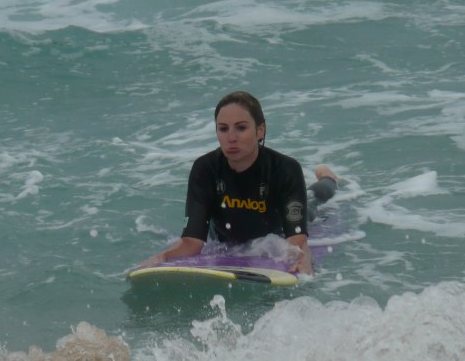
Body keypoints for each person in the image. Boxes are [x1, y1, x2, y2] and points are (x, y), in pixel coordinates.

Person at [139, 91, 337, 275]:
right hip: (226, 242)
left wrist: (304, 258)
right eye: (223, 129)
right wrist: (163, 257)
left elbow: (297, 241)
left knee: (316, 198)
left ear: (260, 130)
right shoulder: (205, 169)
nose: (231, 138)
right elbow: (192, 242)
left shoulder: (285, 169)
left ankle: (328, 177)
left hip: (275, 235)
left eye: (241, 128)